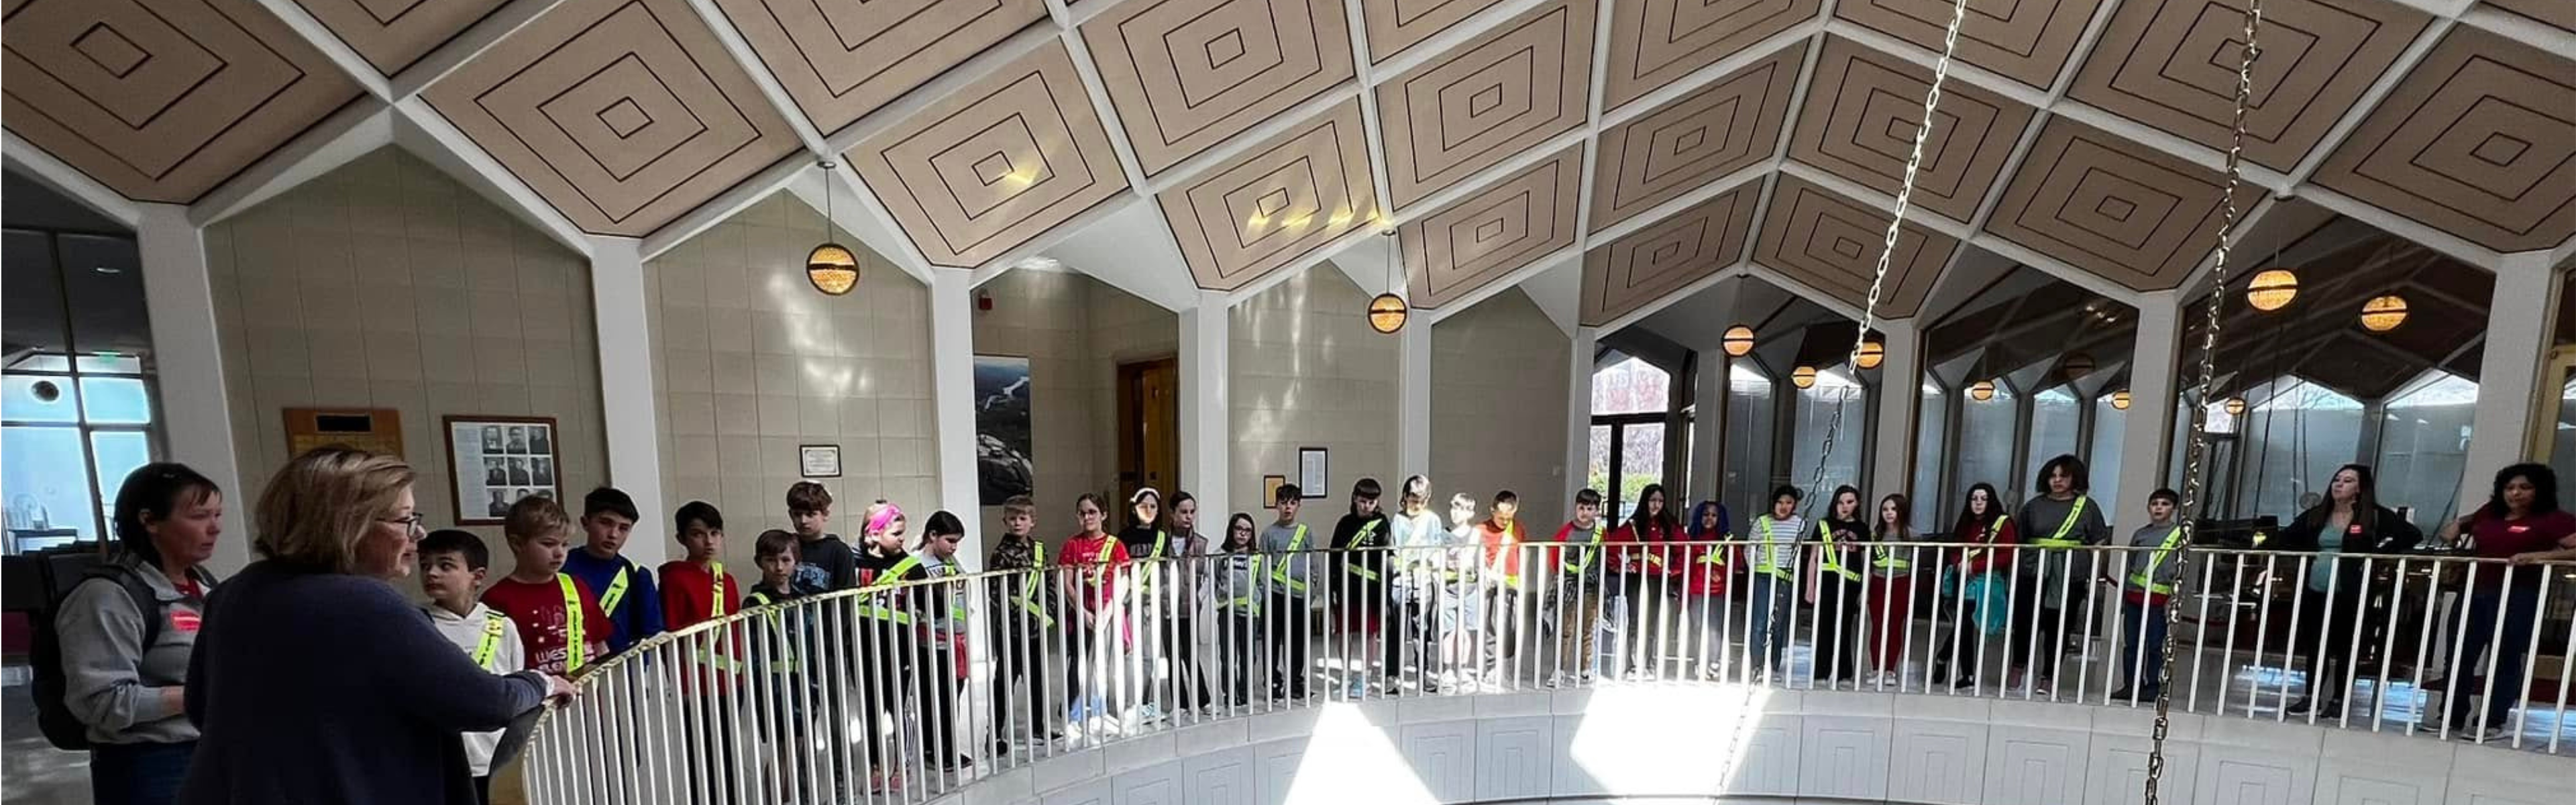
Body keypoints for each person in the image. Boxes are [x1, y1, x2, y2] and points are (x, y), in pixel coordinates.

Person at [179, 447, 566, 805]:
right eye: (404, 520)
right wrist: (540, 682)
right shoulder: (363, 603)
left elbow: (200, 707)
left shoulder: (233, 592)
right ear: (349, 525)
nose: (419, 534)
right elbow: (485, 703)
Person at [56, 464, 223, 805]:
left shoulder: (205, 587)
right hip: (149, 764)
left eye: (218, 515)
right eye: (199, 516)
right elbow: (102, 703)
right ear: (149, 521)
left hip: (208, 753)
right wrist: (204, 693)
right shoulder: (108, 597)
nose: (215, 527)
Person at [2434, 463, 2576, 740]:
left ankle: (2492, 720)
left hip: (2518, 594)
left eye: (2525, 487)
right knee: (2459, 655)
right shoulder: (2490, 512)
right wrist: (2455, 526)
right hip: (2474, 590)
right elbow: (2467, 521)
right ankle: (2451, 716)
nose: (2515, 493)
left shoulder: (2552, 519)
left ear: (2539, 490)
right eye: (2510, 488)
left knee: (2505, 657)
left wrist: (2540, 556)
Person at [2271, 464, 2420, 717]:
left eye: (2348, 481)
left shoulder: (2373, 515)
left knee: (2346, 647)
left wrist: (2378, 553)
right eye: (2337, 479)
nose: (2339, 484)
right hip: (2316, 588)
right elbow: (2286, 538)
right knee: (2316, 645)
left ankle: (2339, 698)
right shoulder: (2318, 514)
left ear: (2360, 489)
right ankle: (2311, 696)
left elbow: (2411, 534)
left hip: (2351, 592)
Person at [416, 529, 526, 803]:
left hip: (498, 757)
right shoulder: (417, 625)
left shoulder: (503, 626)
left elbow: (516, 687)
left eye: (446, 566)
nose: (432, 573)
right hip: (445, 760)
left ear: (477, 576)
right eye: (425, 566)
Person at [2011, 455, 2110, 695]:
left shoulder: (2087, 507)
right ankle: (2018, 666)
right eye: (2053, 476)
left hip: (2070, 574)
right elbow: (2019, 540)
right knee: (2025, 622)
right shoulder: (2033, 506)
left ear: (2074, 478)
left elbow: (2098, 543)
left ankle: (2049, 674)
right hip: (2034, 571)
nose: (2057, 481)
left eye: (2063, 476)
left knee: (2060, 625)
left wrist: (2095, 575)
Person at [482, 496, 612, 676]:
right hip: (537, 692)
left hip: (590, 690)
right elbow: (494, 665)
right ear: (517, 544)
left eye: (565, 545)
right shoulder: (497, 599)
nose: (559, 553)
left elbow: (600, 646)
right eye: (548, 544)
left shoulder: (577, 586)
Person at [739, 529, 821, 800]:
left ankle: (786, 798)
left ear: (796, 561)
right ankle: (772, 798)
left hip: (804, 685)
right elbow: (753, 653)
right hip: (774, 690)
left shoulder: (802, 598)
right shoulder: (755, 603)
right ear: (759, 562)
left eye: (786, 560)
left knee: (796, 748)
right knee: (781, 751)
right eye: (771, 560)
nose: (779, 567)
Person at [849, 501, 922, 791]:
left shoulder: (911, 567)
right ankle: (874, 767)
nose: (903, 539)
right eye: (896, 534)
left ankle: (902, 765)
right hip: (862, 649)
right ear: (874, 533)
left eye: (903, 533)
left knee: (899, 708)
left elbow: (931, 603)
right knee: (870, 709)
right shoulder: (853, 562)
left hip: (898, 650)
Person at [985, 495, 1057, 752]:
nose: (1018, 523)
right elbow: (996, 592)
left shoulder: (1039, 550)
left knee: (1037, 679)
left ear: (1032, 521)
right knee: (1004, 681)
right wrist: (1015, 616)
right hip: (1010, 629)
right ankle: (994, 734)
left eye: (1023, 518)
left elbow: (1049, 583)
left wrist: (1048, 612)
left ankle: (1039, 727)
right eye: (1013, 518)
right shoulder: (1001, 554)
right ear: (1005, 521)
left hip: (1036, 628)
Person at [1059, 494, 1132, 729]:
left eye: (1092, 512)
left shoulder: (1115, 545)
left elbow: (1124, 579)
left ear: (1104, 515)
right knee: (1079, 664)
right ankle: (1073, 715)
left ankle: (1102, 711)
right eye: (1083, 513)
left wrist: (1108, 612)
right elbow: (1067, 583)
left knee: (1105, 665)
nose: (1088, 517)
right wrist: (1082, 612)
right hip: (1081, 614)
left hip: (1108, 613)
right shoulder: (1072, 545)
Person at [559, 487, 662, 653]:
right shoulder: (561, 567)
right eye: (606, 523)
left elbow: (651, 635)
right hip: (571, 665)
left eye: (624, 528)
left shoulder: (637, 575)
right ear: (585, 523)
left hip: (624, 667)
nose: (613, 534)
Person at [1933, 483, 2015, 690]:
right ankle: (1966, 673)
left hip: (1987, 581)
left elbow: (2007, 554)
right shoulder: (1965, 522)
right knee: (1964, 626)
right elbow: (1955, 549)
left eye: (1983, 499)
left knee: (1965, 624)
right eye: (1974, 499)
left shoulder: (2003, 523)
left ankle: (1943, 657)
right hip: (1963, 580)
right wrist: (1959, 564)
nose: (1978, 503)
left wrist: (1976, 566)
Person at [2107, 489, 2184, 704]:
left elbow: (2181, 570)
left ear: (2173, 508)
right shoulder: (2140, 534)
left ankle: (2153, 687)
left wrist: (2174, 599)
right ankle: (2131, 685)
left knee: (2155, 645)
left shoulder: (2178, 535)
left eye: (2165, 504)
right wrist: (2125, 596)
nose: (2159, 508)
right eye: (2155, 503)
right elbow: (2131, 563)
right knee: (2131, 645)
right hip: (2134, 597)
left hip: (2159, 600)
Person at [914, 511, 972, 774]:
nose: (954, 547)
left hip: (955, 641)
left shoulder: (951, 561)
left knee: (952, 698)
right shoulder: (917, 564)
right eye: (950, 540)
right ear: (933, 535)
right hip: (930, 643)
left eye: (957, 541)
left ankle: (948, 746)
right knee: (934, 699)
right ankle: (933, 750)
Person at [1604, 483, 1681, 679]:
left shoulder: (1669, 526)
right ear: (1645, 501)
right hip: (1636, 578)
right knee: (1635, 620)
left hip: (1657, 578)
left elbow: (1684, 548)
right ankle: (1631, 665)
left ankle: (1646, 664)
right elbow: (1611, 546)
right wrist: (1623, 566)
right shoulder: (1633, 525)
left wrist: (1673, 570)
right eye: (1653, 500)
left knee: (1652, 621)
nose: (1656, 505)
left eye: (1660, 501)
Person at [1330, 478, 1395, 695]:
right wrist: (1333, 588)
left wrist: (1386, 593)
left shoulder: (1382, 523)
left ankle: (1366, 677)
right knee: (1344, 632)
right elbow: (1334, 555)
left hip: (1372, 589)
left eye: (1371, 502)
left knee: (1370, 633)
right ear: (1355, 499)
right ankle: (1346, 675)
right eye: (1363, 501)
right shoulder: (1344, 523)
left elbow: (1388, 559)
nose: (1367, 506)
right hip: (1347, 586)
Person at [1386, 476, 1448, 688]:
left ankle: (1424, 672)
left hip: (1424, 580)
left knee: (1422, 629)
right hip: (1400, 580)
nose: (1417, 506)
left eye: (1422, 502)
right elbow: (1393, 549)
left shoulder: (1433, 520)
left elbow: (1437, 548)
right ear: (1405, 497)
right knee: (1395, 630)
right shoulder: (1396, 520)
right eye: (1413, 500)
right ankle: (1392, 674)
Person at [1258, 485, 1315, 700]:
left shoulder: (1305, 532)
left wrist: (1311, 588)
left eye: (1292, 503)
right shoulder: (1268, 533)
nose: (1287, 508)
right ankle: (1273, 683)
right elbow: (1263, 565)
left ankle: (1295, 683)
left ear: (1299, 505)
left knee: (1297, 642)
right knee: (1272, 642)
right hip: (1274, 596)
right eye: (1283, 503)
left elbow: (1312, 562)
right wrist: (1265, 594)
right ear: (1276, 505)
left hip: (1299, 597)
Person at [1809, 485, 1868, 687]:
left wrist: (1865, 589)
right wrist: (1810, 586)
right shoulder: (1824, 525)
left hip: (1851, 583)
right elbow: (1814, 557)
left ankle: (1844, 673)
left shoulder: (1862, 528)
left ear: (1857, 504)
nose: (1845, 507)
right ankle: (1821, 672)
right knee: (1824, 626)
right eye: (1841, 502)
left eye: (1850, 502)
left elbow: (1865, 560)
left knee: (1845, 627)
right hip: (1827, 582)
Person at [1744, 486, 1805, 681]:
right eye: (1780, 502)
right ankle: (1757, 665)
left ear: (1794, 505)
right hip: (1763, 577)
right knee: (1760, 622)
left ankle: (1773, 665)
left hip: (1785, 579)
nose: (1784, 506)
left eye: (1789, 503)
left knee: (1778, 624)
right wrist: (1754, 569)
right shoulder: (1761, 522)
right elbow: (1750, 549)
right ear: (1773, 503)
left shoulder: (1800, 524)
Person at [1477, 491, 1532, 687]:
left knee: (1512, 627)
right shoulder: (1481, 530)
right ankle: (1492, 667)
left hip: (1512, 585)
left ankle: (1506, 663)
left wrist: (1523, 575)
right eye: (1501, 517)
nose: (1504, 521)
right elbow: (1476, 558)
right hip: (1491, 585)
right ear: (1492, 510)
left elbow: (1524, 553)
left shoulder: (1518, 529)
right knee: (1492, 626)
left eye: (1509, 518)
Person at [1167, 492, 1214, 713]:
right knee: (1172, 655)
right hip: (1166, 607)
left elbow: (1207, 576)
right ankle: (1180, 703)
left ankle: (1203, 699)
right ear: (1172, 513)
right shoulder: (1163, 542)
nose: (1188, 516)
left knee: (1190, 653)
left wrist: (1199, 598)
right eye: (1183, 512)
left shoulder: (1200, 543)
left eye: (1192, 512)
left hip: (1189, 607)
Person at [658, 501, 740, 630]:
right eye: (698, 534)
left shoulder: (727, 580)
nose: (709, 541)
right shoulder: (674, 579)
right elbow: (672, 630)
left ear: (722, 536)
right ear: (681, 539)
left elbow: (735, 628)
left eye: (714, 533)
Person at [1864, 494, 1918, 688]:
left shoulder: (1912, 535)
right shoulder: (1875, 535)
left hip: (1901, 583)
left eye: (1893, 509)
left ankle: (1890, 670)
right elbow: (1870, 565)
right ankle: (1876, 668)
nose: (1889, 513)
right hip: (1878, 583)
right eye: (1885, 509)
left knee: (1895, 627)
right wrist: (1865, 590)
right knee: (1878, 626)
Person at [1214, 513, 1267, 708]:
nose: (1243, 534)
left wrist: (1256, 602)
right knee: (1228, 657)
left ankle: (1245, 693)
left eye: (1247, 530)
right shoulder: (1220, 554)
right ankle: (1230, 694)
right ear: (1231, 530)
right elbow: (1216, 580)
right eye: (1239, 529)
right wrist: (1222, 597)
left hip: (1250, 614)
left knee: (1248, 656)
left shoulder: (1257, 557)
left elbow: (1262, 583)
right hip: (1227, 612)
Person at [1679, 499, 1732, 681]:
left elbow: (1736, 564)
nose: (1709, 518)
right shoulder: (1692, 539)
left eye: (1714, 515)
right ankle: (1700, 662)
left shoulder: (1727, 540)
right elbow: (1686, 565)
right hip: (1696, 590)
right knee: (1697, 627)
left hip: (1717, 591)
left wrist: (1721, 575)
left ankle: (1714, 662)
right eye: (1706, 514)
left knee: (1715, 628)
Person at [788, 482, 858, 591]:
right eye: (797, 514)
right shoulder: (786, 546)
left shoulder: (840, 552)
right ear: (791, 515)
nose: (803, 521)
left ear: (825, 514)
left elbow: (846, 595)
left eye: (810, 515)